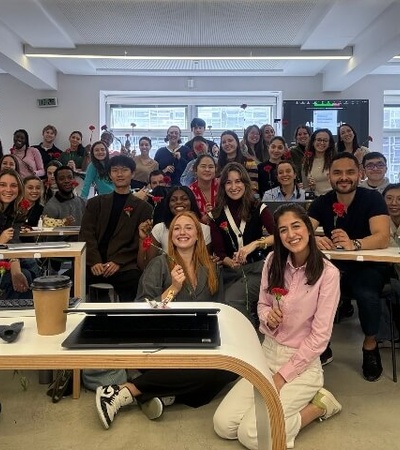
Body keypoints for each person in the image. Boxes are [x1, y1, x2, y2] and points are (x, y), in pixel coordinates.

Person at [213, 203, 342, 450]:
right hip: (267, 354)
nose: (291, 235)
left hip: (301, 365)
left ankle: (319, 406)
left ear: (308, 227)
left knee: (252, 435)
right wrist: (267, 316)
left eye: (296, 226)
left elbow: (320, 337)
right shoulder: (273, 260)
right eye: (283, 230)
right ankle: (279, 409)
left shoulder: (328, 274)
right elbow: (262, 304)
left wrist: (283, 377)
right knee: (224, 425)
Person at [95, 212, 236, 429]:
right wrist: (173, 289)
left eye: (189, 228)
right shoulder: (159, 264)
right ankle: (123, 390)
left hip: (199, 342)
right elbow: (141, 309)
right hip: (163, 340)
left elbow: (219, 310)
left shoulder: (212, 267)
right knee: (204, 374)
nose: (182, 232)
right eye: (177, 229)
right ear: (170, 237)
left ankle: (162, 394)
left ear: (198, 234)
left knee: (230, 368)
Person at [308, 152, 390, 382]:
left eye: (350, 172)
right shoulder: (322, 202)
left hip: (368, 267)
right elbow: (301, 229)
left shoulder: (372, 199)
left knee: (366, 294)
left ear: (359, 174)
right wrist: (313, 238)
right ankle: (322, 344)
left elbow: (382, 236)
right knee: (312, 288)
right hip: (334, 267)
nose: (344, 177)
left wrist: (354, 244)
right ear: (329, 176)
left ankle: (370, 346)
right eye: (337, 173)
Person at [80, 155, 152, 301]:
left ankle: (125, 321)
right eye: (115, 170)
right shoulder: (95, 203)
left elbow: (139, 239)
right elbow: (86, 234)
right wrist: (94, 261)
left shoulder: (144, 208)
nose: (119, 174)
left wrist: (118, 261)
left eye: (124, 170)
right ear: (109, 175)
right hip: (95, 263)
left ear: (132, 174)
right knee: (69, 280)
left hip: (124, 265)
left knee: (136, 282)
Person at [209, 162, 274, 323]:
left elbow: (279, 235)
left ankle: (248, 336)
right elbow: (219, 251)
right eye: (229, 182)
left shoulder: (258, 207)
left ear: (246, 183)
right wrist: (231, 262)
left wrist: (255, 244)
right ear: (223, 186)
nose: (234, 187)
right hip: (230, 270)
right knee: (218, 302)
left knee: (231, 299)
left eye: (238, 181)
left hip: (257, 268)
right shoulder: (215, 214)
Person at [0, 169, 41, 299]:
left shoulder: (17, 211)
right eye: (2, 185)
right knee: (26, 273)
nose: (8, 189)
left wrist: (15, 269)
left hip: (7, 257)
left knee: (29, 268)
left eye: (13, 185)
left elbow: (13, 242)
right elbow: (5, 241)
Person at [144, 186, 211, 264]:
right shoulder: (159, 228)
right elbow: (149, 264)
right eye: (173, 200)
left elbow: (205, 262)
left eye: (184, 199)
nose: (178, 202)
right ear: (168, 204)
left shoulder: (204, 229)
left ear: (191, 202)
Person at [217, 130, 258, 195]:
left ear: (237, 142)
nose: (227, 144)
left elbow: (254, 186)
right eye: (223, 142)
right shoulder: (217, 165)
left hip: (245, 199)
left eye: (230, 140)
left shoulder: (249, 162)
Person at [302, 128, 336, 197]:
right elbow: (305, 188)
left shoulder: (335, 161)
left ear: (329, 144)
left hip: (334, 197)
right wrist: (312, 188)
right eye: (319, 140)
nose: (322, 143)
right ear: (313, 142)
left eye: (325, 140)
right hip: (315, 199)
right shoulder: (306, 162)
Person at [189, 154, 219, 224]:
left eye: (211, 167)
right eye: (203, 166)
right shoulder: (190, 192)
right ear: (195, 169)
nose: (207, 169)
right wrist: (202, 221)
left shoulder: (222, 185)